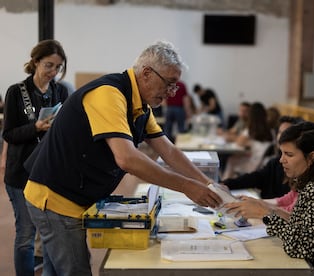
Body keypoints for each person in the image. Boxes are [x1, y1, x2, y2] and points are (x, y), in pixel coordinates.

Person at [23, 41, 222, 275]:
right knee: (76, 270)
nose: (171, 92)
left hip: (72, 194)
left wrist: (209, 184)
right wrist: (187, 186)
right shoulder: (109, 94)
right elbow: (127, 158)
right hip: (56, 199)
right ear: (147, 73)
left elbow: (169, 151)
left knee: (55, 271)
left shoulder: (141, 106)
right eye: (169, 84)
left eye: (175, 86)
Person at [225, 122, 314, 275]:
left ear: (311, 157)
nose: (282, 160)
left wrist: (265, 214)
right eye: (282, 153)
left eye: (289, 154)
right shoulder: (312, 185)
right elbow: (299, 225)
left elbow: (307, 248)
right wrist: (264, 207)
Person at [2, 39, 69, 276]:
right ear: (36, 62)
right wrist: (36, 128)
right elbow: (8, 133)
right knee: (26, 235)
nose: (53, 72)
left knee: (51, 234)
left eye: (58, 67)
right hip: (20, 174)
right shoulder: (16, 92)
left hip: (48, 173)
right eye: (49, 65)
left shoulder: (60, 91)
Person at [221, 115, 304, 199]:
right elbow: (257, 177)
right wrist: (226, 184)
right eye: (280, 132)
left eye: (286, 132)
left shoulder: (299, 170)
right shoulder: (275, 162)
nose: (281, 136)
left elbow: (286, 204)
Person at [221, 102, 274, 180]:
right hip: (262, 164)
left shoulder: (250, 130)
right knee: (233, 159)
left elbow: (239, 142)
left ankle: (224, 183)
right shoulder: (271, 131)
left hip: (252, 165)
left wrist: (240, 139)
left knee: (231, 160)